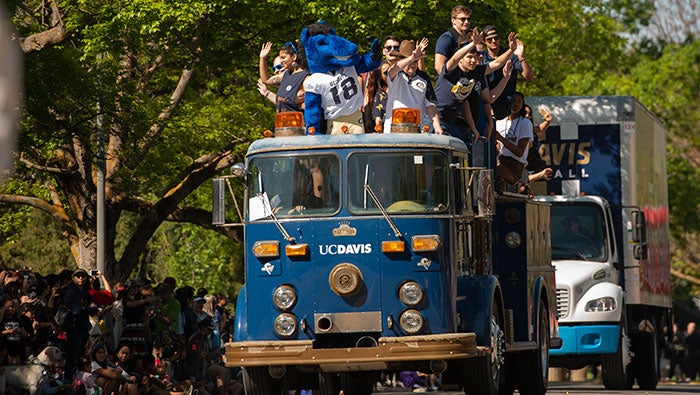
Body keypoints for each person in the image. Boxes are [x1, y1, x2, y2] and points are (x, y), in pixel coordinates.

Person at [435, 29, 517, 145]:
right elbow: (454, 59)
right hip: (436, 119)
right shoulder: (451, 69)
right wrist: (473, 43)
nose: (473, 61)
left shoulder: (475, 72)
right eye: (469, 57)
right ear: (462, 58)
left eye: (475, 57)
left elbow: (496, 63)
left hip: (452, 122)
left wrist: (511, 50)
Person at [383, 38, 444, 135]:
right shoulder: (395, 74)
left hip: (417, 131)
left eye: (415, 62)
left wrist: (437, 127)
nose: (412, 65)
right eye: (409, 62)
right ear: (401, 60)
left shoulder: (423, 77)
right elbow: (395, 68)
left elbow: (430, 104)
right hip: (393, 131)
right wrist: (412, 57)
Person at [481, 25, 535, 120]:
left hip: (507, 107)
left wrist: (520, 57)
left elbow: (529, 77)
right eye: (489, 39)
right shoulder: (481, 58)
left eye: (496, 38)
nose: (493, 41)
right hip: (488, 106)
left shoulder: (512, 55)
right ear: (484, 41)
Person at [257, 41, 309, 113]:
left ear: (294, 57)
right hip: (283, 122)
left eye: (283, 57)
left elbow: (310, 105)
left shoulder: (306, 77)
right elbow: (266, 80)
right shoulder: (286, 74)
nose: (281, 61)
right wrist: (262, 58)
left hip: (299, 122)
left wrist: (294, 102)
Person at [494, 91, 532, 189]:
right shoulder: (499, 122)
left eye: (519, 101)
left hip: (515, 165)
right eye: (513, 101)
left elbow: (520, 152)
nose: (516, 104)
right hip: (500, 160)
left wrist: (501, 139)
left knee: (493, 171)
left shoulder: (525, 123)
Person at [63, 269, 95, 378]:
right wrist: (87, 309)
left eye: (83, 276)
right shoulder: (70, 292)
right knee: (72, 356)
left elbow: (93, 307)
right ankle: (68, 379)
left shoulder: (86, 293)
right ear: (73, 278)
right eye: (78, 276)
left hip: (84, 327)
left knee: (83, 355)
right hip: (74, 328)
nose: (81, 278)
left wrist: (91, 309)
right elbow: (74, 310)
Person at [434, 5, 473, 75]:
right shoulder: (446, 38)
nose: (466, 22)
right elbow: (438, 67)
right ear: (453, 20)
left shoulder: (469, 38)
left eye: (468, 19)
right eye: (463, 19)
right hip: (450, 83)